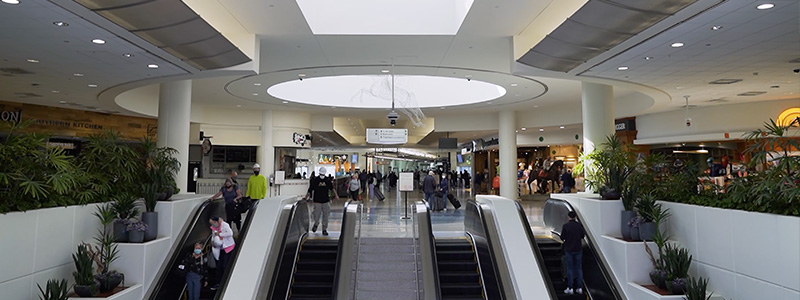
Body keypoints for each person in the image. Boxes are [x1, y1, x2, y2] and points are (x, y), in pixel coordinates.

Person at [306, 167, 339, 236]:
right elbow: (310, 190)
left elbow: (332, 188)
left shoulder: (327, 180)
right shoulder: (315, 180)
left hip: (325, 201)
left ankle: (324, 229)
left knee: (325, 216)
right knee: (316, 215)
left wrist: (336, 195)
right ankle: (316, 224)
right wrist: (306, 197)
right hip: (317, 201)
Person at [561, 211, 585, 295]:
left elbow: (562, 237)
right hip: (578, 249)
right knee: (579, 268)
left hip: (569, 249)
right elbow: (582, 235)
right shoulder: (579, 226)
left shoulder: (566, 226)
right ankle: (579, 288)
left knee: (570, 269)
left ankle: (570, 288)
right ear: (575, 216)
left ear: (568, 217)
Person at [209, 216, 234, 290]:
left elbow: (230, 233)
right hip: (220, 249)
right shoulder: (214, 229)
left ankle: (226, 282)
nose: (212, 224)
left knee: (225, 265)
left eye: (213, 223)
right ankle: (218, 283)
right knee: (219, 266)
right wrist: (212, 242)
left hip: (228, 247)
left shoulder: (224, 225)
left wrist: (220, 234)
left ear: (216, 221)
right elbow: (213, 237)